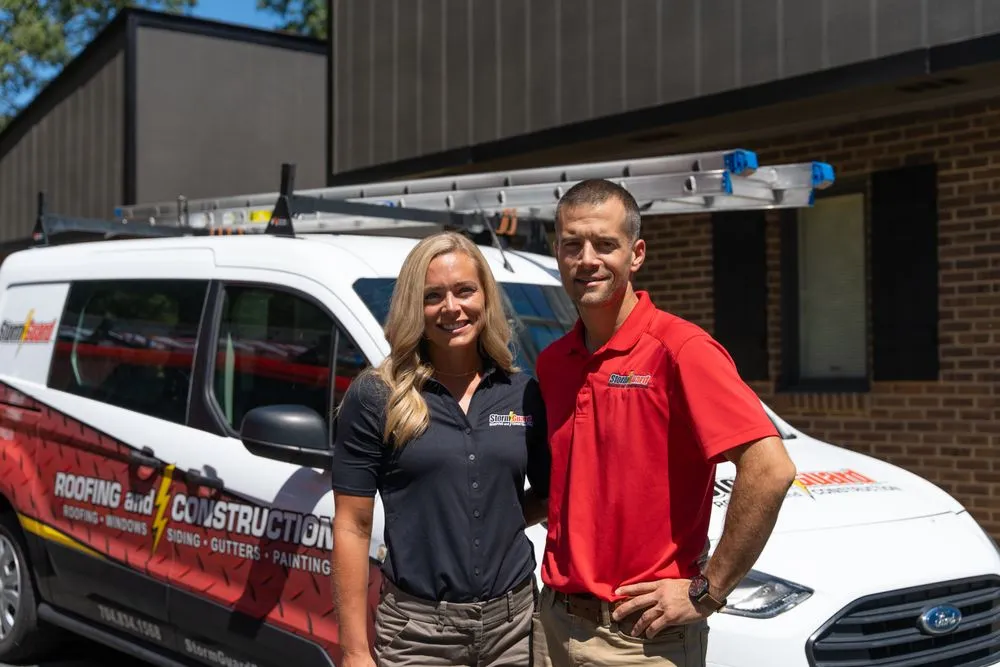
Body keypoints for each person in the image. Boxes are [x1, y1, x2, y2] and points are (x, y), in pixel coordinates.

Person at [531, 179, 798, 666]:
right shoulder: (554, 363)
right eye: (573, 244)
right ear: (557, 253)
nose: (587, 258)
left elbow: (770, 469)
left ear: (636, 255)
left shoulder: (680, 349)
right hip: (552, 626)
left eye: (605, 244)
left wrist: (707, 592)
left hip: (640, 640)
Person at [330, 231, 551, 667]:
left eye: (465, 290)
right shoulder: (377, 396)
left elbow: (547, 493)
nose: (452, 307)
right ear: (415, 305)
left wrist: (487, 520)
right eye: (433, 296)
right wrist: (355, 652)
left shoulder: (523, 393)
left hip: (517, 627)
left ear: (485, 298)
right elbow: (352, 527)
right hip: (418, 635)